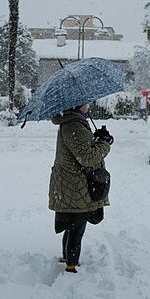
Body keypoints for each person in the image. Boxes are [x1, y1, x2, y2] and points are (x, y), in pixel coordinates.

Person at [49, 104, 113, 273]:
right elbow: (87, 157)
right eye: (86, 103)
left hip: (70, 183)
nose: (88, 106)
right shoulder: (74, 125)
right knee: (77, 227)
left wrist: (97, 138)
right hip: (76, 185)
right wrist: (104, 143)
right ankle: (71, 266)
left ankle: (66, 258)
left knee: (71, 225)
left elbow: (82, 148)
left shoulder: (72, 122)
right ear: (78, 105)